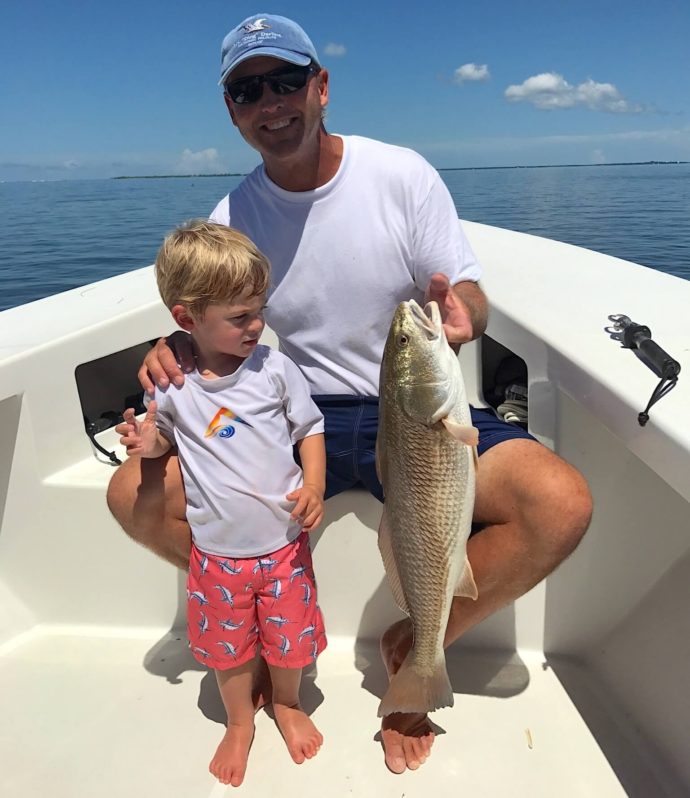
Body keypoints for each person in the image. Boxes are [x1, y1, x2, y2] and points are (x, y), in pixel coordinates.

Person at [107, 13, 592, 775]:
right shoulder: (235, 215)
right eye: (246, 90)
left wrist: (468, 313)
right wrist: (167, 352)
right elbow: (208, 316)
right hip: (293, 414)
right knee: (131, 493)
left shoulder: (400, 175)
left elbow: (463, 291)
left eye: (286, 81)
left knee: (561, 504)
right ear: (232, 110)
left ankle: (421, 652)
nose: (270, 103)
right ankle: (252, 633)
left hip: (417, 409)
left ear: (322, 86)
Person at [119, 220, 328, 787]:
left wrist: (314, 484)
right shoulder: (170, 385)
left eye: (259, 310)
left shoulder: (275, 369)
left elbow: (309, 428)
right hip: (216, 554)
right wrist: (146, 443)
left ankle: (286, 703)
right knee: (227, 651)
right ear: (187, 319)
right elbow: (163, 436)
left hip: (283, 545)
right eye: (240, 317)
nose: (257, 326)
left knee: (290, 644)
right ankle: (240, 721)